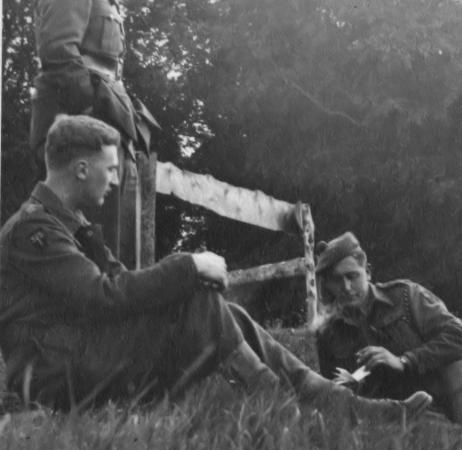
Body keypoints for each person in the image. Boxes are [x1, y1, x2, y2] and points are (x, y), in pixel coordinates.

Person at [0, 116, 432, 422]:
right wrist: (188, 266)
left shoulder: (67, 223)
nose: (114, 181)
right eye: (110, 170)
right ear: (80, 169)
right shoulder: (33, 229)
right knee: (199, 299)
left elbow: (115, 283)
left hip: (77, 353)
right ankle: (292, 415)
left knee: (229, 313)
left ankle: (343, 406)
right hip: (54, 374)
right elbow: (103, 296)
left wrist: (188, 274)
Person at [31, 0, 160, 268]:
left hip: (99, 133)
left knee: (110, 248)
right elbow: (58, 54)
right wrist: (93, 127)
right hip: (78, 136)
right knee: (82, 251)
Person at [315, 232, 462, 423]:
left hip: (442, 406)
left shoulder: (405, 297)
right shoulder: (328, 333)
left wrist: (406, 361)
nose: (347, 287)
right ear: (328, 285)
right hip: (386, 422)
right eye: (336, 280)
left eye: (352, 276)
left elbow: (457, 335)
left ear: (367, 271)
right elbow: (337, 394)